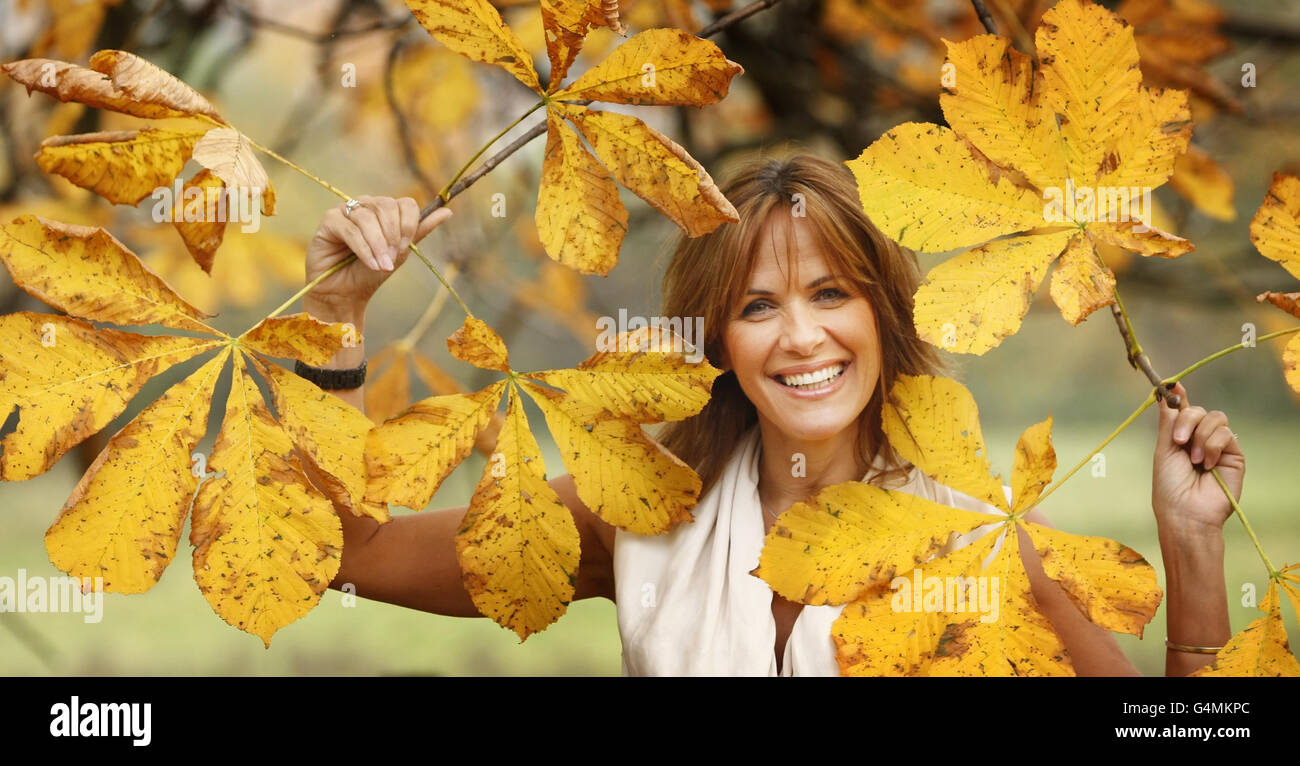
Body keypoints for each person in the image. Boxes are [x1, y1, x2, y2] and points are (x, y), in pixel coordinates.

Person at [301, 153, 1243, 677]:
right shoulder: (640, 509)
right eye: (757, 307)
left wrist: (1194, 548)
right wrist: (332, 318)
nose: (801, 338)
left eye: (831, 293)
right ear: (717, 344)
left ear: (882, 312)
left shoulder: (985, 542)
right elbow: (349, 556)